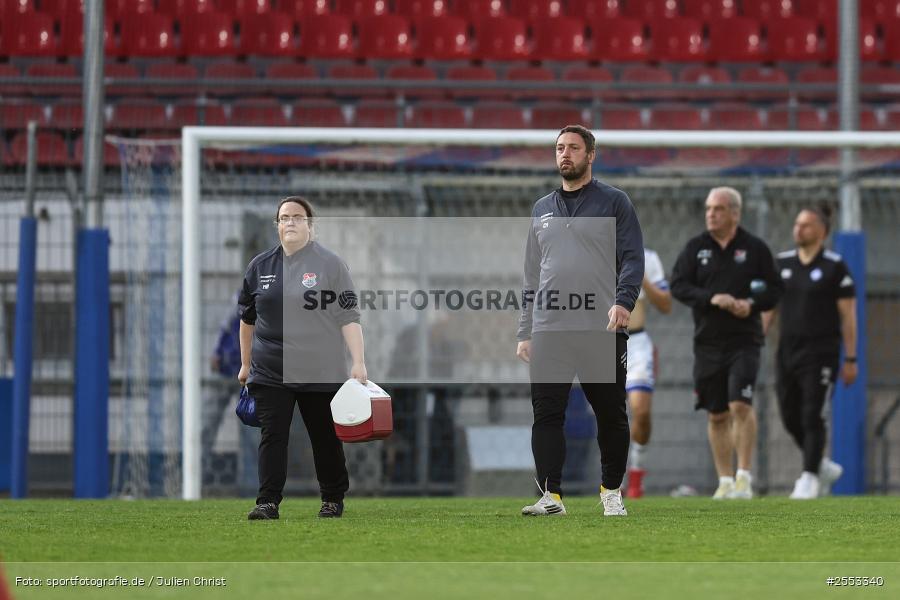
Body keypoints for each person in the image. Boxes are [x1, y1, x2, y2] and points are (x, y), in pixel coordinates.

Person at [516, 124, 644, 517]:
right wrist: (525, 329)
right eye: (559, 148)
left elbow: (632, 258)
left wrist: (624, 302)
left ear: (591, 155)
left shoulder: (614, 202)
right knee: (547, 414)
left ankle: (610, 492)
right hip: (550, 328)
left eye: (573, 147)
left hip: (601, 329)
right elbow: (531, 274)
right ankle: (551, 496)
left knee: (610, 413)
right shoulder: (542, 209)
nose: (564, 154)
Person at [238, 196, 366, 520]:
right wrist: (245, 363)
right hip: (270, 369)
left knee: (323, 436)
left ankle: (332, 498)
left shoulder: (331, 265)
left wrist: (359, 362)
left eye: (297, 217)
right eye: (284, 218)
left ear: (310, 225)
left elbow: (349, 317)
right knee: (273, 436)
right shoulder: (259, 267)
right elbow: (247, 319)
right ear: (277, 226)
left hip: (319, 368)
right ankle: (267, 502)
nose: (290, 223)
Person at [670, 187, 783, 500]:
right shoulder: (696, 249)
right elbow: (678, 285)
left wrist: (751, 304)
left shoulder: (755, 249)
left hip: (744, 340)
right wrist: (711, 298)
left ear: (735, 213)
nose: (711, 214)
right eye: (708, 208)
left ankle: (744, 477)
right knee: (717, 413)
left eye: (718, 209)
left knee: (740, 404)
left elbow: (775, 289)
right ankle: (725, 481)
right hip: (707, 342)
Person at [763, 206, 857, 499]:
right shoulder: (782, 263)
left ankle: (809, 477)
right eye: (796, 223)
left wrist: (851, 358)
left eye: (805, 225)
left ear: (822, 231)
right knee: (789, 413)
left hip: (822, 351)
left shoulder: (835, 266)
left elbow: (848, 316)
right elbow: (770, 306)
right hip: (787, 350)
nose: (798, 229)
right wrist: (757, 337)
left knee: (812, 413)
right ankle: (821, 465)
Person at [624, 248, 672, 498]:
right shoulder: (589, 252)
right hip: (601, 342)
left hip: (637, 342)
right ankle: (613, 480)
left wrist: (641, 277)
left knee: (641, 411)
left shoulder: (647, 257)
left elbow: (666, 303)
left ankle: (636, 473)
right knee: (609, 415)